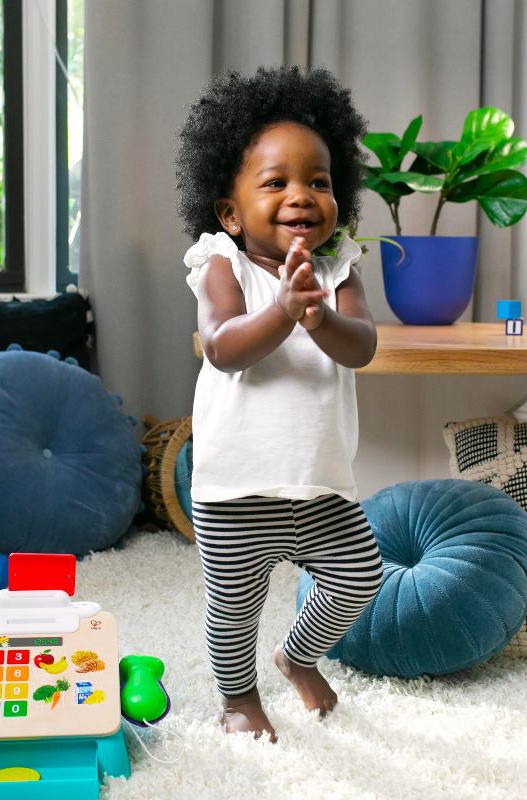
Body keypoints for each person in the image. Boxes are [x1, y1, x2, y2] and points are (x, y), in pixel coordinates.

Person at [174, 65, 384, 743]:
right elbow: (224, 346)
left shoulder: (338, 267)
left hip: (321, 484)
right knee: (234, 608)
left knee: (360, 575)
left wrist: (319, 317)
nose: (302, 197)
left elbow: (363, 348)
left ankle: (297, 653)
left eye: (318, 182)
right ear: (230, 211)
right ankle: (238, 696)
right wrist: (286, 313)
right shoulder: (221, 265)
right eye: (276, 182)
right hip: (236, 488)